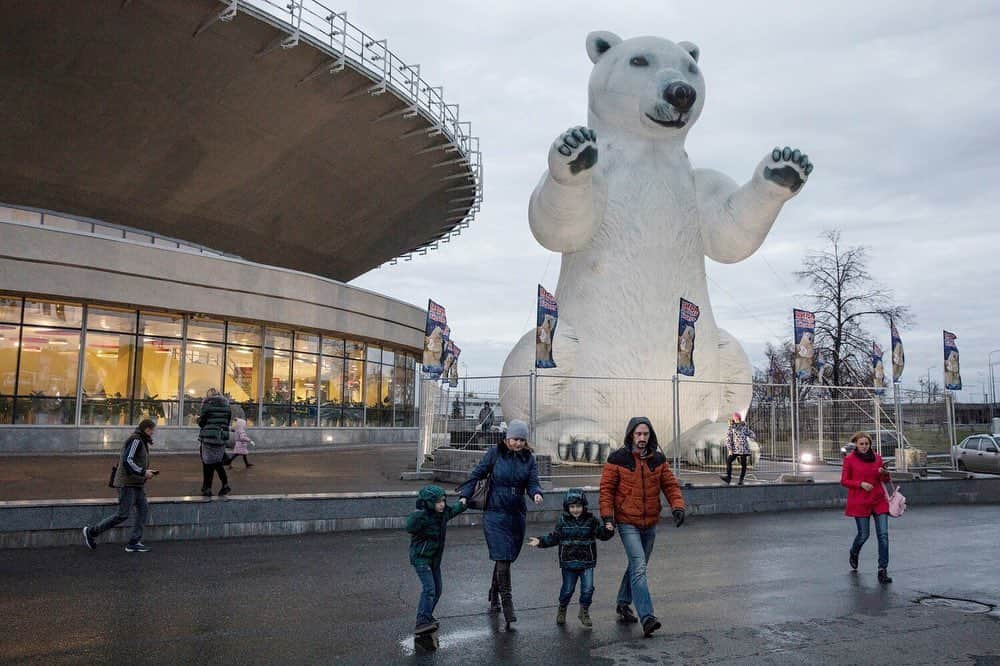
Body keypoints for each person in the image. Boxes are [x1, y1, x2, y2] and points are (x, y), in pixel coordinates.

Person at [599, 416, 686, 637]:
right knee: (638, 566)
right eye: (638, 434)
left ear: (650, 435)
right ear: (631, 434)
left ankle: (622, 602)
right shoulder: (617, 459)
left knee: (637, 566)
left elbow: (670, 484)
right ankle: (647, 617)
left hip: (650, 522)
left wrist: (677, 506)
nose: (642, 438)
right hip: (627, 521)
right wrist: (608, 518)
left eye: (645, 434)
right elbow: (606, 491)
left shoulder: (657, 458)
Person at [459, 419, 543, 630]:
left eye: (522, 440)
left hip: (516, 514)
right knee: (502, 557)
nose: (518, 444)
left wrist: (536, 493)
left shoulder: (529, 459)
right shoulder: (494, 454)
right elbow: (476, 475)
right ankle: (507, 603)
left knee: (506, 557)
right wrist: (464, 497)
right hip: (495, 513)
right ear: (507, 438)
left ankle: (494, 594)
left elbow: (533, 482)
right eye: (515, 439)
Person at [528, 488, 614, 627]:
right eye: (572, 507)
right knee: (568, 589)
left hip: (587, 562)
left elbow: (601, 534)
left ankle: (584, 611)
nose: (575, 510)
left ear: (583, 506)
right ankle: (562, 607)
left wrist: (608, 530)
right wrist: (540, 541)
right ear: (567, 507)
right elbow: (555, 537)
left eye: (578, 506)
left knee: (588, 589)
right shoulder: (563, 521)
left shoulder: (591, 520)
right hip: (568, 562)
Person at [83, 419, 159, 552]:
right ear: (147, 429)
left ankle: (134, 542)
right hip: (127, 484)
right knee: (122, 515)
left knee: (143, 510)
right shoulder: (136, 440)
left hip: (136, 483)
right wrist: (143, 472)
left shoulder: (141, 440)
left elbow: (134, 461)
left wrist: (145, 472)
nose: (153, 433)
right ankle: (92, 532)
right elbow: (127, 460)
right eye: (152, 430)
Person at [405, 486, 468, 636]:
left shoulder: (444, 513)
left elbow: (454, 510)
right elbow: (409, 526)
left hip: (434, 560)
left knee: (437, 590)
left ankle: (427, 616)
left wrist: (463, 502)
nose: (442, 505)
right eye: (438, 502)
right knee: (429, 589)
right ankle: (421, 622)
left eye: (443, 501)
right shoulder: (422, 516)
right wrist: (420, 513)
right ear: (429, 503)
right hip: (421, 558)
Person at [841, 431, 893, 584]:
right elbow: (844, 481)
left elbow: (885, 478)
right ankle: (854, 552)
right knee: (864, 535)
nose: (864, 447)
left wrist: (884, 473)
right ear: (856, 444)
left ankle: (882, 570)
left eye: (867, 444)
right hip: (860, 501)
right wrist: (860, 484)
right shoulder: (850, 460)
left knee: (883, 535)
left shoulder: (877, 458)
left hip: (878, 500)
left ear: (870, 445)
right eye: (861, 444)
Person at [198, 388, 232, 497]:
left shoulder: (207, 404)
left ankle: (207, 488)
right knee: (217, 462)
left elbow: (202, 422)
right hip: (221, 437)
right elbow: (227, 421)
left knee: (207, 462)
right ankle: (224, 484)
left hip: (208, 436)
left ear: (209, 396)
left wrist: (198, 420)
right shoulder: (227, 406)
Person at [720, 412, 755, 485]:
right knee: (729, 460)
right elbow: (729, 439)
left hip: (743, 448)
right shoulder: (732, 427)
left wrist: (752, 436)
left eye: (737, 418)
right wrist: (730, 449)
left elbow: (749, 432)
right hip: (735, 448)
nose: (737, 419)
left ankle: (741, 480)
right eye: (736, 418)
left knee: (743, 463)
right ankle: (728, 477)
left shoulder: (744, 426)